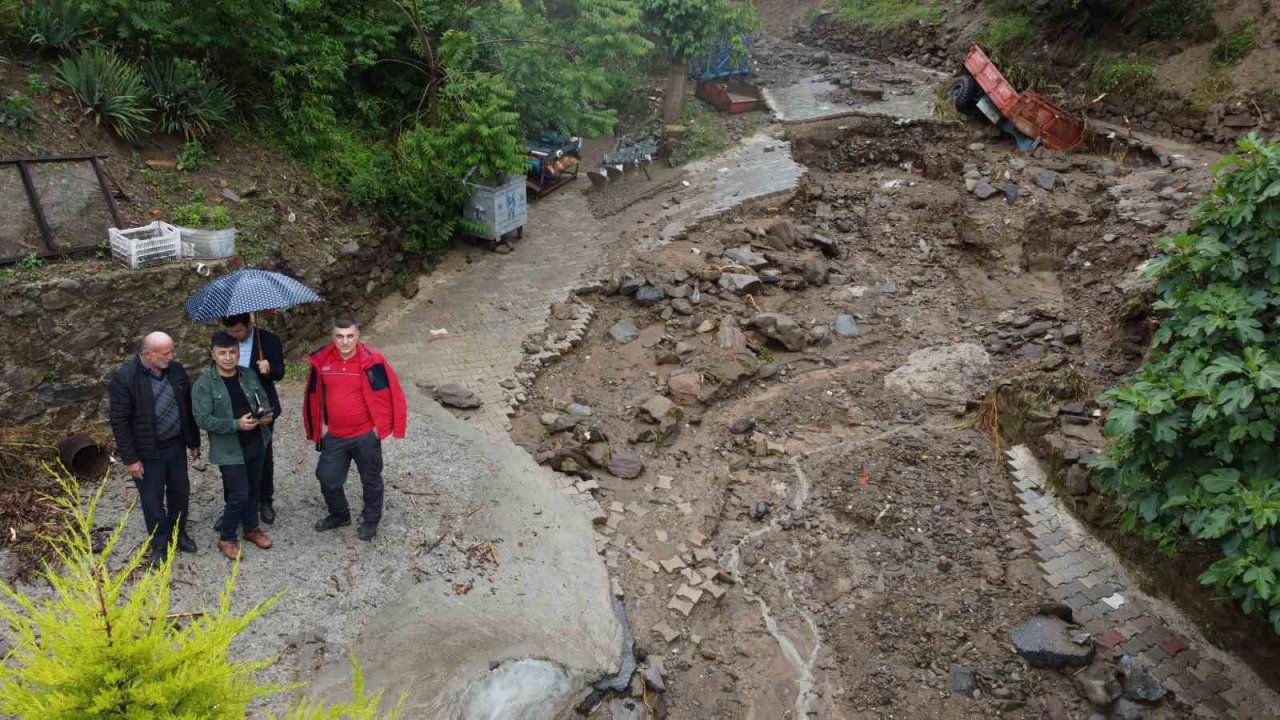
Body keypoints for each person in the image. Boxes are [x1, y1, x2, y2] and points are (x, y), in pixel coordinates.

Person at [303, 316, 406, 541]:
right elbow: (315, 395)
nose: (345, 341)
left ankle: (371, 520)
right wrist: (320, 424)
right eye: (340, 336)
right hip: (335, 436)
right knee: (327, 478)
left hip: (365, 435)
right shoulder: (322, 361)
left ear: (358, 336)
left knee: (370, 479)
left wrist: (381, 427)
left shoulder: (372, 361)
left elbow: (387, 394)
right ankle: (340, 514)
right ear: (333, 337)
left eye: (350, 336)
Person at [108, 331, 201, 568]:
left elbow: (186, 406)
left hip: (175, 444)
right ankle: (159, 543)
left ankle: (179, 533)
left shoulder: (176, 370)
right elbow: (119, 421)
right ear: (147, 354)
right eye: (165, 353)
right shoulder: (125, 378)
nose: (171, 356)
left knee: (180, 492)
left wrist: (193, 442)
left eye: (172, 351)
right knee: (152, 499)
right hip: (147, 450)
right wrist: (131, 459)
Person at [191, 332, 275, 560]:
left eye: (232, 352)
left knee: (254, 489)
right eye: (222, 353)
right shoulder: (204, 385)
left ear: (238, 353)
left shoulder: (248, 375)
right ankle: (227, 536)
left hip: (257, 441)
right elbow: (203, 419)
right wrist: (235, 424)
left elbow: (263, 401)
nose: (228, 357)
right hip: (229, 449)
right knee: (239, 494)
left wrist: (266, 415)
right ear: (213, 355)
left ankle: (251, 529)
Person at [222, 313, 285, 524]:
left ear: (248, 325)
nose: (234, 336)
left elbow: (279, 373)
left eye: (238, 331)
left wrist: (268, 370)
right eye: (230, 332)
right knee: (232, 457)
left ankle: (265, 500)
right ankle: (233, 504)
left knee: (264, 454)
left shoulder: (268, 341)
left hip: (262, 405)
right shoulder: (224, 343)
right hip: (235, 407)